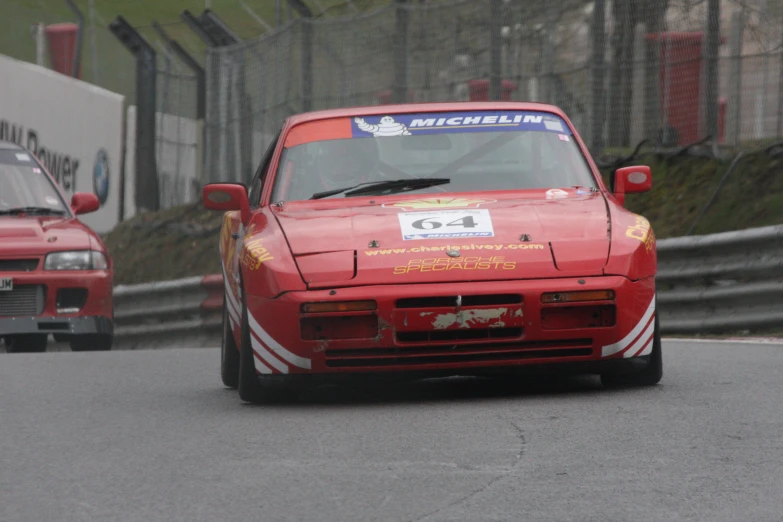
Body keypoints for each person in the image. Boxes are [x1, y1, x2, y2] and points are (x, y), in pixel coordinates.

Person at [314, 137, 382, 190]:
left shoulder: (382, 185)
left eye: (348, 156)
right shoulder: (312, 192)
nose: (342, 165)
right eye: (337, 158)